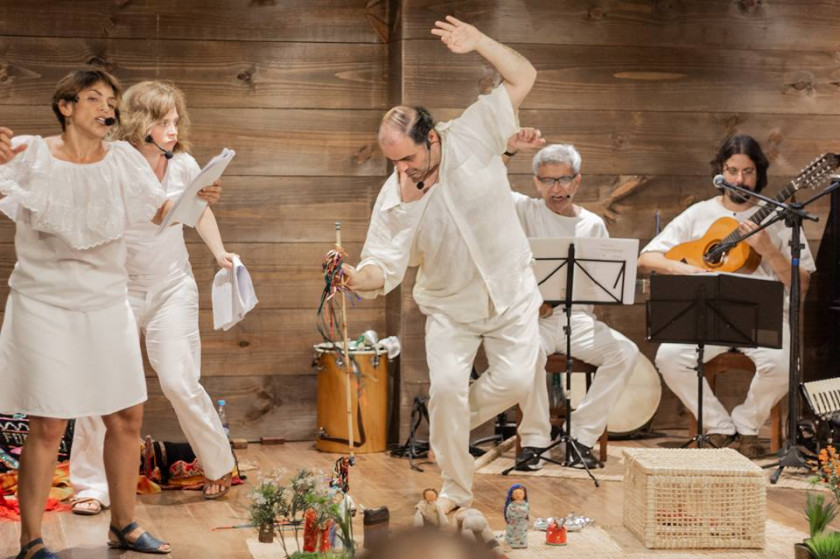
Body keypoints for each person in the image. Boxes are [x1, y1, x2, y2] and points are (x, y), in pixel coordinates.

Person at [343, 15, 541, 512]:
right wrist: (356, 278)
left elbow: (523, 76)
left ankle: (449, 424)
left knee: (516, 382)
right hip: (450, 308)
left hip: (511, 292)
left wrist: (479, 42)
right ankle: (456, 489)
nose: (402, 169)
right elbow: (382, 265)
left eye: (408, 159)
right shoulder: (396, 196)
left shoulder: (473, 130)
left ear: (431, 138)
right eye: (394, 162)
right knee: (449, 388)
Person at [0, 69, 175, 557]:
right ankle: (31, 541)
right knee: (49, 422)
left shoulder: (122, 159)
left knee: (127, 415)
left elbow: (160, 211)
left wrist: (197, 197)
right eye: (94, 98)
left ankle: (124, 525)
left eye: (112, 101)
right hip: (44, 304)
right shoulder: (30, 154)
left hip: (106, 302)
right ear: (66, 106)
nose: (107, 108)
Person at [68, 80, 238, 517]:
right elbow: (157, 212)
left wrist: (220, 253)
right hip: (118, 288)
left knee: (180, 381)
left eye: (176, 121)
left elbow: (198, 210)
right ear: (140, 123)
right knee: (103, 384)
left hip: (172, 284)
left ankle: (219, 464)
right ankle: (91, 485)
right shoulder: (113, 159)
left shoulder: (183, 163)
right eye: (164, 122)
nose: (173, 130)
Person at [637, 134, 816, 457]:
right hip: (708, 317)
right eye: (732, 170)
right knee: (669, 357)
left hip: (763, 319)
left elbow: (802, 284)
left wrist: (768, 249)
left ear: (759, 174)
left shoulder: (779, 217)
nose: (739, 180)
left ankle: (747, 425)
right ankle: (719, 426)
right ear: (721, 171)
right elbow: (646, 258)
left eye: (747, 172)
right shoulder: (698, 213)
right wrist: (687, 271)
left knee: (784, 364)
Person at [510, 139, 639, 469]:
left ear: (577, 181)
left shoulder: (592, 224)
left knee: (625, 353)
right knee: (526, 352)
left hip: (577, 319)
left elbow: (602, 283)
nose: (557, 188)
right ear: (537, 182)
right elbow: (490, 185)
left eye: (564, 179)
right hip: (535, 319)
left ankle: (580, 437)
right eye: (548, 180)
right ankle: (535, 441)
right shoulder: (523, 210)